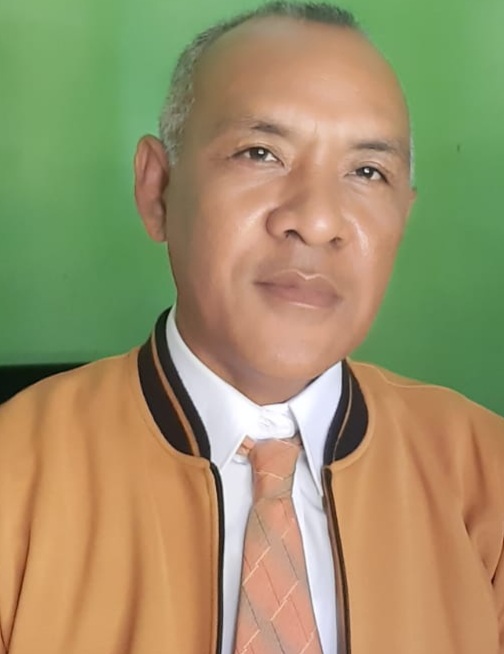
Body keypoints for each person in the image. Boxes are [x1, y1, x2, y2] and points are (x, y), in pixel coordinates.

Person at [0, 2, 503, 653]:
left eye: (367, 172)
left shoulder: (485, 475)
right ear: (157, 189)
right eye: (261, 153)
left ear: (402, 219)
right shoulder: (16, 476)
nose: (316, 221)